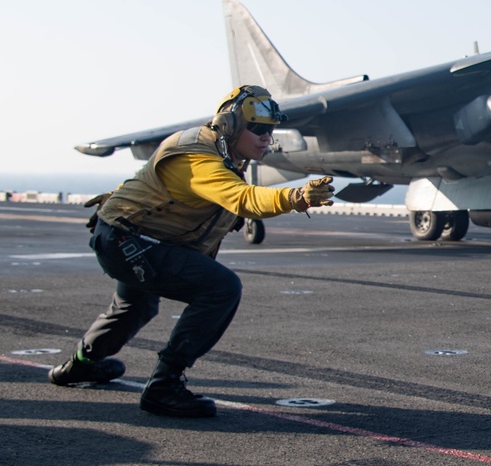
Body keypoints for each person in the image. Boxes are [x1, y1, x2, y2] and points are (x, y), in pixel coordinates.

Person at [48, 85, 335, 418]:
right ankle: (164, 386)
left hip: (127, 239)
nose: (265, 137)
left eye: (269, 131)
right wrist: (296, 198)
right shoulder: (199, 158)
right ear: (229, 125)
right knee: (220, 288)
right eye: (257, 129)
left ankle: (80, 365)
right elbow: (244, 199)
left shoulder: (223, 153)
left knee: (134, 306)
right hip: (131, 242)